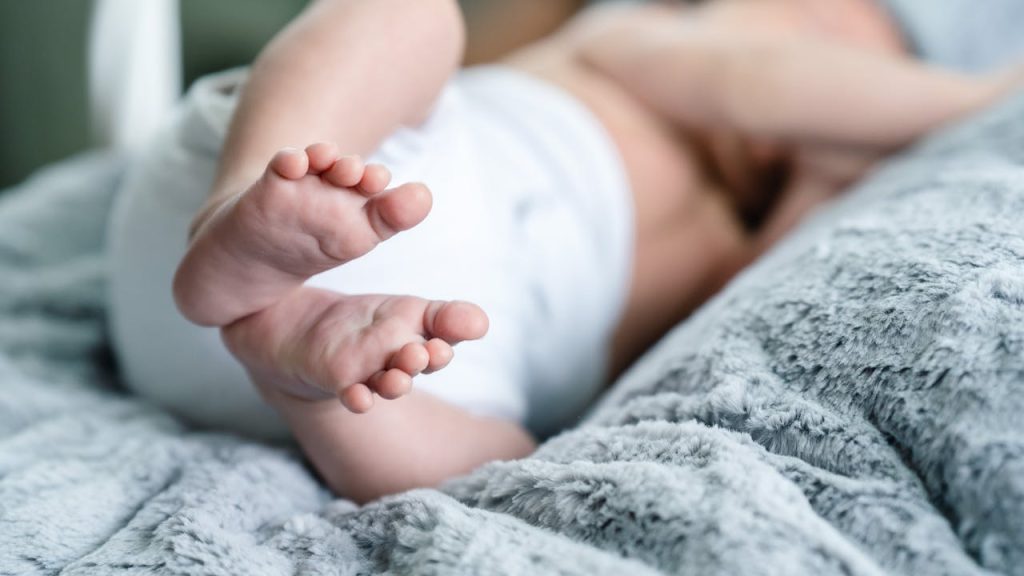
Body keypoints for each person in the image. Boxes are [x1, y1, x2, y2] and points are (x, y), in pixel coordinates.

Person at [108, 0, 1018, 503]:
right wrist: (964, 101)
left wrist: (826, 187)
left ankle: (301, 378)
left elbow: (756, 309)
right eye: (831, 23)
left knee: (503, 461)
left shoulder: (732, 253)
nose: (856, 66)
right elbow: (754, 80)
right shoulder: (619, 47)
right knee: (408, 15)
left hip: (399, 365)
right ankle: (235, 222)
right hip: (332, 167)